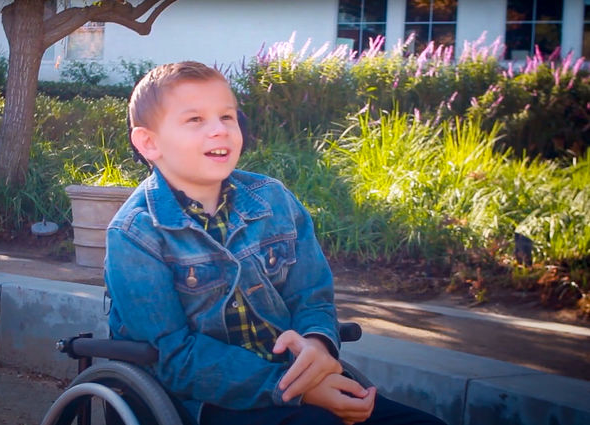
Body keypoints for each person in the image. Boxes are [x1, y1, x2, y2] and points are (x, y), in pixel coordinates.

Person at [104, 61, 446, 425]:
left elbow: (311, 296)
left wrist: (317, 344)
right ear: (149, 143)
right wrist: (292, 389)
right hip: (205, 401)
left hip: (297, 377)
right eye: (195, 120)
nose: (219, 131)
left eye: (227, 117)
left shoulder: (273, 200)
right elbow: (175, 358)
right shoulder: (135, 234)